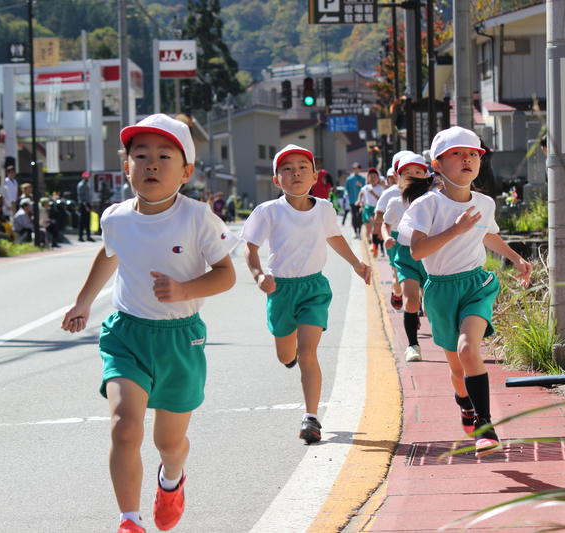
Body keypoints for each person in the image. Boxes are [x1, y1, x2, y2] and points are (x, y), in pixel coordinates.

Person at [61, 114, 237, 533]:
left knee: (168, 444)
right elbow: (109, 254)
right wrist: (83, 302)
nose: (151, 164)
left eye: (163, 156)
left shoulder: (198, 218)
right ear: (127, 167)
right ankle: (129, 520)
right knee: (125, 428)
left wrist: (185, 290)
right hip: (127, 334)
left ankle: (171, 479)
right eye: (140, 156)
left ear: (187, 170)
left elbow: (226, 275)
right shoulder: (116, 218)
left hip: (180, 339)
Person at [400, 126, 532, 457]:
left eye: (473, 154)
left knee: (468, 350)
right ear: (438, 165)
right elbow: (417, 251)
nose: (467, 159)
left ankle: (486, 428)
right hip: (440, 291)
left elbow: (487, 235)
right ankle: (465, 404)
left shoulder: (485, 203)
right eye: (457, 154)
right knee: (457, 372)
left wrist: (516, 258)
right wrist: (455, 230)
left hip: (475, 285)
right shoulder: (426, 205)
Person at [241, 144, 371, 444]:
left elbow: (335, 237)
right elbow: (250, 246)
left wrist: (356, 263)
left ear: (314, 176)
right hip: (281, 290)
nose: (295, 173)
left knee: (307, 352)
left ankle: (310, 418)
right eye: (287, 169)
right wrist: (259, 275)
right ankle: (288, 357)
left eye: (302, 167)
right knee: (286, 354)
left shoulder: (324, 208)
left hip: (314, 288)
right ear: (277, 180)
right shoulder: (268, 211)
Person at [382, 153, 432, 362]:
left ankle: (447, 336)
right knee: (411, 300)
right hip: (406, 255)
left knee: (431, 305)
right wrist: (386, 238)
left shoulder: (434, 198)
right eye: (407, 173)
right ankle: (412, 346)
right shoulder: (395, 202)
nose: (412, 176)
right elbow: (386, 224)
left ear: (426, 175)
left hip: (432, 255)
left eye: (418, 172)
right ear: (398, 177)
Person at [375, 151, 413, 309]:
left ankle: (415, 308)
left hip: (418, 235)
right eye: (406, 171)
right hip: (396, 237)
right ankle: (397, 294)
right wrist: (389, 224)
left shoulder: (425, 192)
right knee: (397, 275)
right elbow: (378, 216)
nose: (411, 175)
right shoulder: (390, 193)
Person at [357, 168, 385, 257]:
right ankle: (370, 243)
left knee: (375, 229)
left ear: (378, 178)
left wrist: (373, 193)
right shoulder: (366, 187)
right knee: (369, 229)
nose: (372, 178)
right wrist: (359, 201)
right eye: (370, 177)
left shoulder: (380, 188)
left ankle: (374, 246)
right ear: (368, 178)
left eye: (374, 177)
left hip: (377, 210)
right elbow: (361, 193)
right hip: (368, 209)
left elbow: (381, 199)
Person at [344, 162, 365, 237]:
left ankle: (359, 230)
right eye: (354, 168)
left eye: (357, 168)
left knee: (359, 216)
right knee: (354, 217)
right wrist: (346, 193)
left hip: (360, 201)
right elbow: (346, 189)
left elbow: (365, 188)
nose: (356, 170)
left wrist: (361, 185)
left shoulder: (362, 179)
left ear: (360, 169)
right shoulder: (349, 179)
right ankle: (355, 231)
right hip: (352, 201)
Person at [77, 171, 95, 242]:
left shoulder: (87, 184)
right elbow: (81, 197)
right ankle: (80, 236)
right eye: (86, 177)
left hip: (87, 204)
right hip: (83, 204)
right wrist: (85, 206)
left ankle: (88, 236)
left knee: (88, 221)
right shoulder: (81, 185)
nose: (87, 178)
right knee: (82, 221)